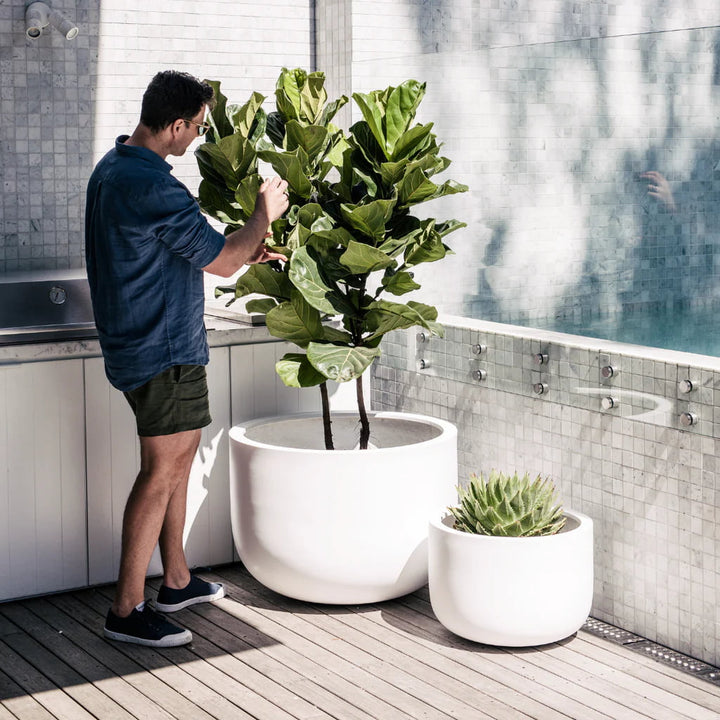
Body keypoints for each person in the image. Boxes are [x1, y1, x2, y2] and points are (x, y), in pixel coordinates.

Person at [85, 70, 289, 647]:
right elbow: (221, 262)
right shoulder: (153, 187)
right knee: (162, 471)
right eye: (196, 127)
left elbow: (187, 249)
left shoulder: (115, 167)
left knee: (179, 456)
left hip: (146, 342)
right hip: (162, 350)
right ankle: (126, 611)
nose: (198, 136)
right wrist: (262, 211)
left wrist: (245, 248)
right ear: (174, 125)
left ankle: (175, 580)